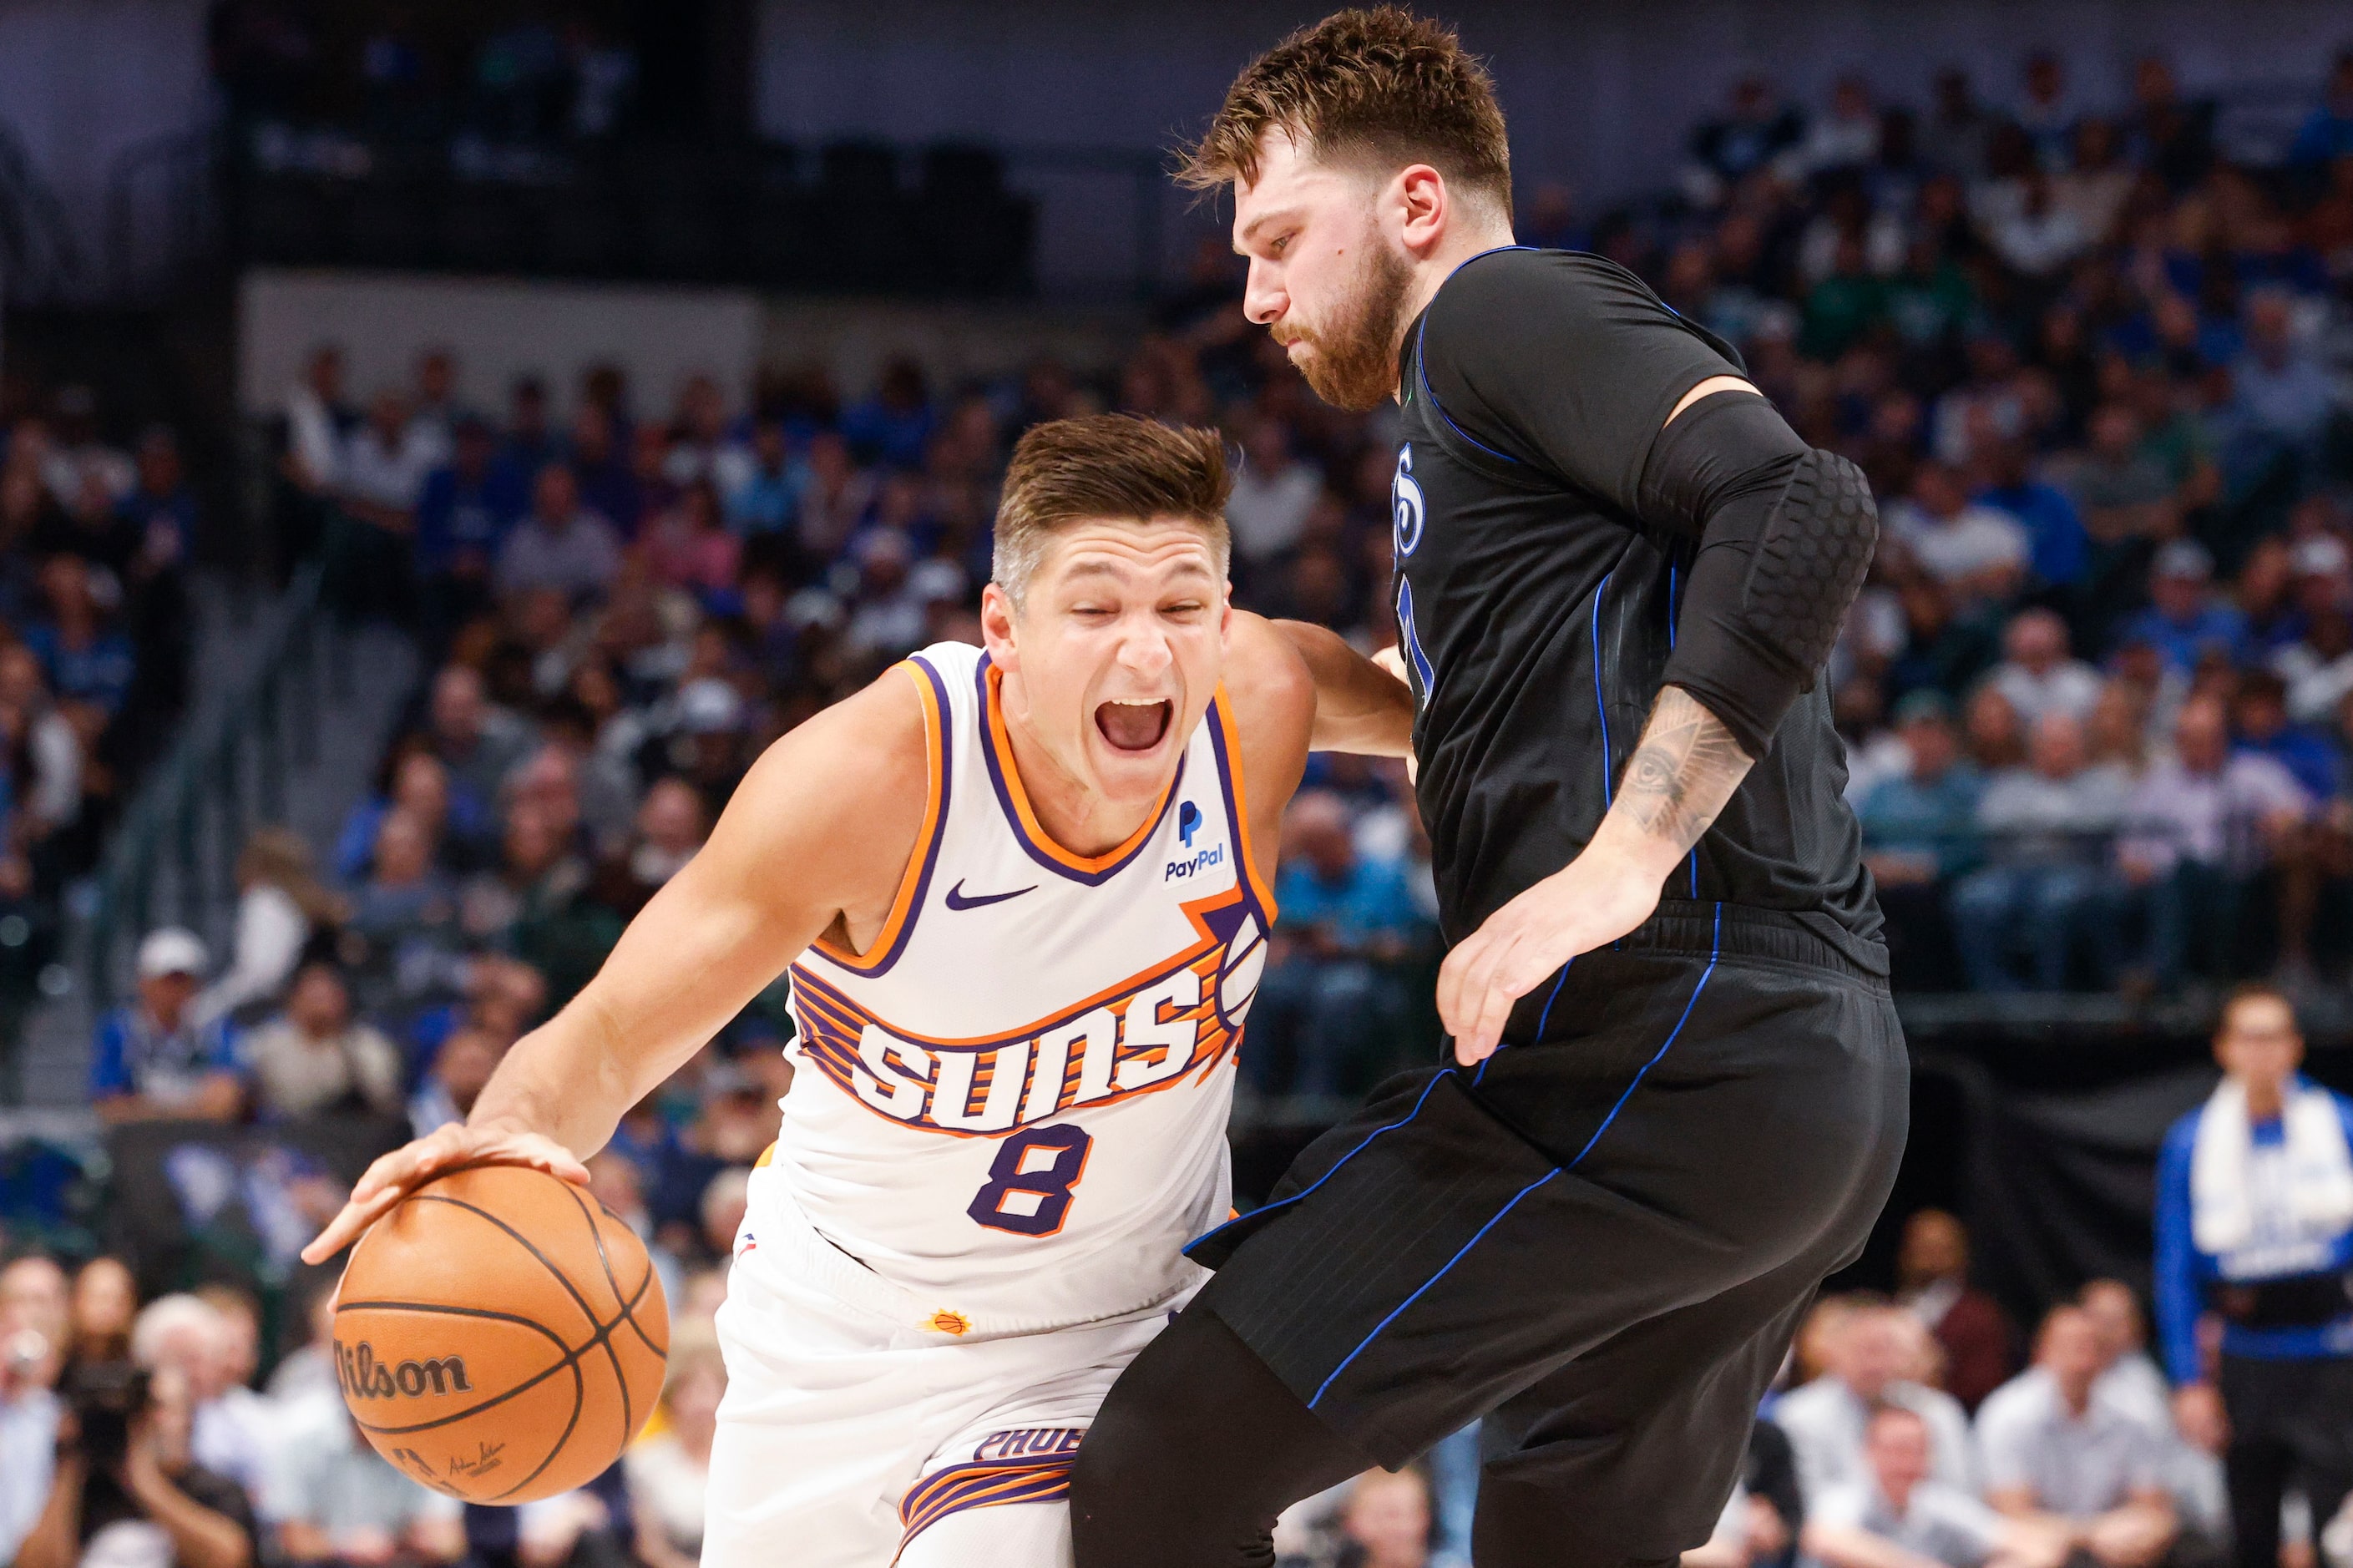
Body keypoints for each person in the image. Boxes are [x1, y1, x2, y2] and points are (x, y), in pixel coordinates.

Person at [1072, 17, 1905, 1566]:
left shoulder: (1494, 308)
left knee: (1164, 1460)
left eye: (1277, 239)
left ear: (1410, 205)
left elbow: (1796, 499)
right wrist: (1291, 680)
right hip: (1798, 1080)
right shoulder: (1481, 432)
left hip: (1671, 1036)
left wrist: (1622, 859)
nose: (1251, 294)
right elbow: (1522, 702)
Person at [301, 414, 1411, 1568]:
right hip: (829, 1332)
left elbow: (1431, 715)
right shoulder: (872, 782)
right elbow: (613, 1033)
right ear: (1005, 628)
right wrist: (505, 1131)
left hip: (1109, 1335)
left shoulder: (1257, 700)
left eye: (1185, 606)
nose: (1148, 653)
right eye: (1094, 608)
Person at [2155, 984, 2353, 1568]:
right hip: (2248, 1360)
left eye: (2275, 1036)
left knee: (2338, 1535)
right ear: (2224, 1048)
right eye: (2249, 1036)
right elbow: (2175, 1268)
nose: (2262, 1051)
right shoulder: (2192, 1141)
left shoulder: (2340, 1125)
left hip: (2334, 1358)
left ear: (2295, 1047)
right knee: (2251, 1532)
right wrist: (2190, 1380)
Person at [1974, 1307, 2177, 1567]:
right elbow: (2011, 1512)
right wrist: (2092, 1533)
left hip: (2120, 1542)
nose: (2082, 1357)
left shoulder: (2139, 1410)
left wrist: (2134, 1530)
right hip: (2042, 1539)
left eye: (2090, 1345)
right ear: (2041, 1353)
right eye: (2069, 1345)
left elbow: (2153, 1505)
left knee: (2162, 1535)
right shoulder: (2007, 1414)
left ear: (2105, 1355)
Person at [13, 1359, 260, 1568]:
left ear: (190, 1417)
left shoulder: (211, 1489)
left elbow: (231, 1556)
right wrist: (70, 1464)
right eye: (146, 1410)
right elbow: (33, 1563)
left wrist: (142, 1480)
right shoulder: (86, 1490)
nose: (153, 1420)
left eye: (163, 1408)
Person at [1804, 1406, 2062, 1568]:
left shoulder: (1935, 1502)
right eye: (1896, 1450)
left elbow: (2038, 1549)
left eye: (1917, 1452)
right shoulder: (1844, 1497)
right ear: (1867, 1453)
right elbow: (1822, 1538)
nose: (1905, 1463)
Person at [1775, 1301, 1980, 1500]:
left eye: (1885, 1349)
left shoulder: (1937, 1410)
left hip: (1930, 1528)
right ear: (1834, 1353)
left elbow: (1961, 1496)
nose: (1875, 1363)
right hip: (1835, 1529)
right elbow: (1810, 1502)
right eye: (1863, 1350)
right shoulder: (1800, 1415)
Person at [91, 928, 245, 1123]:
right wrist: (191, 1110)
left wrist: (145, 1108)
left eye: (183, 981)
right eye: (167, 981)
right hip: (141, 1141)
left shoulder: (215, 1028)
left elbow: (225, 1100)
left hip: (202, 1143)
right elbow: (109, 1106)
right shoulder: (121, 1030)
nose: (175, 991)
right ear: (145, 983)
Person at [241, 962, 406, 1120]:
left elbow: (387, 1103)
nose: (321, 1006)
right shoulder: (267, 1043)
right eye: (313, 997)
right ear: (294, 1001)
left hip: (350, 1137)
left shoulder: (367, 1046)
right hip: (281, 1135)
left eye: (327, 997)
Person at [1897, 1210, 2016, 1413]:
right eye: (1923, 1249)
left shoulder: (1980, 1317)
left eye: (1940, 1249)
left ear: (1960, 1254)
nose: (1930, 1260)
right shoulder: (1893, 1311)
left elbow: (1985, 1389)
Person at [626, 1328, 723, 1568]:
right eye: (689, 1390)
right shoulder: (645, 1462)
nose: (701, 1403)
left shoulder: (742, 1461)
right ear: (671, 1396)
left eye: (709, 1389)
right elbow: (649, 1547)